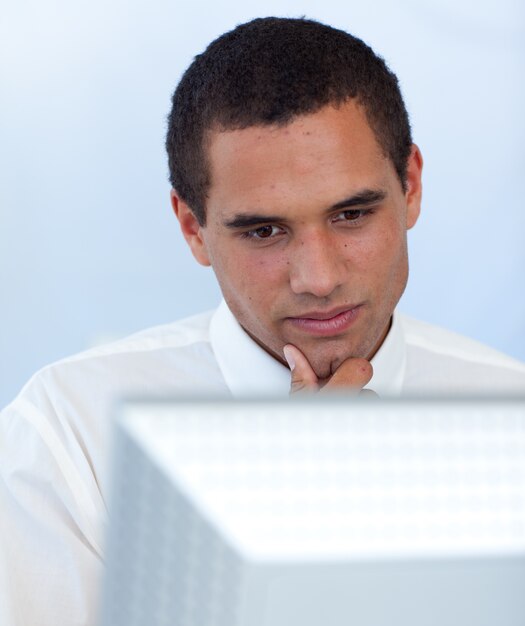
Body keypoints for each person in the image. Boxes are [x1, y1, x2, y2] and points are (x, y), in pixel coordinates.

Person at [1, 16, 524, 626]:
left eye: (351, 214)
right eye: (264, 231)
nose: (319, 278)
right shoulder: (70, 434)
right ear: (193, 228)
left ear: (409, 185)